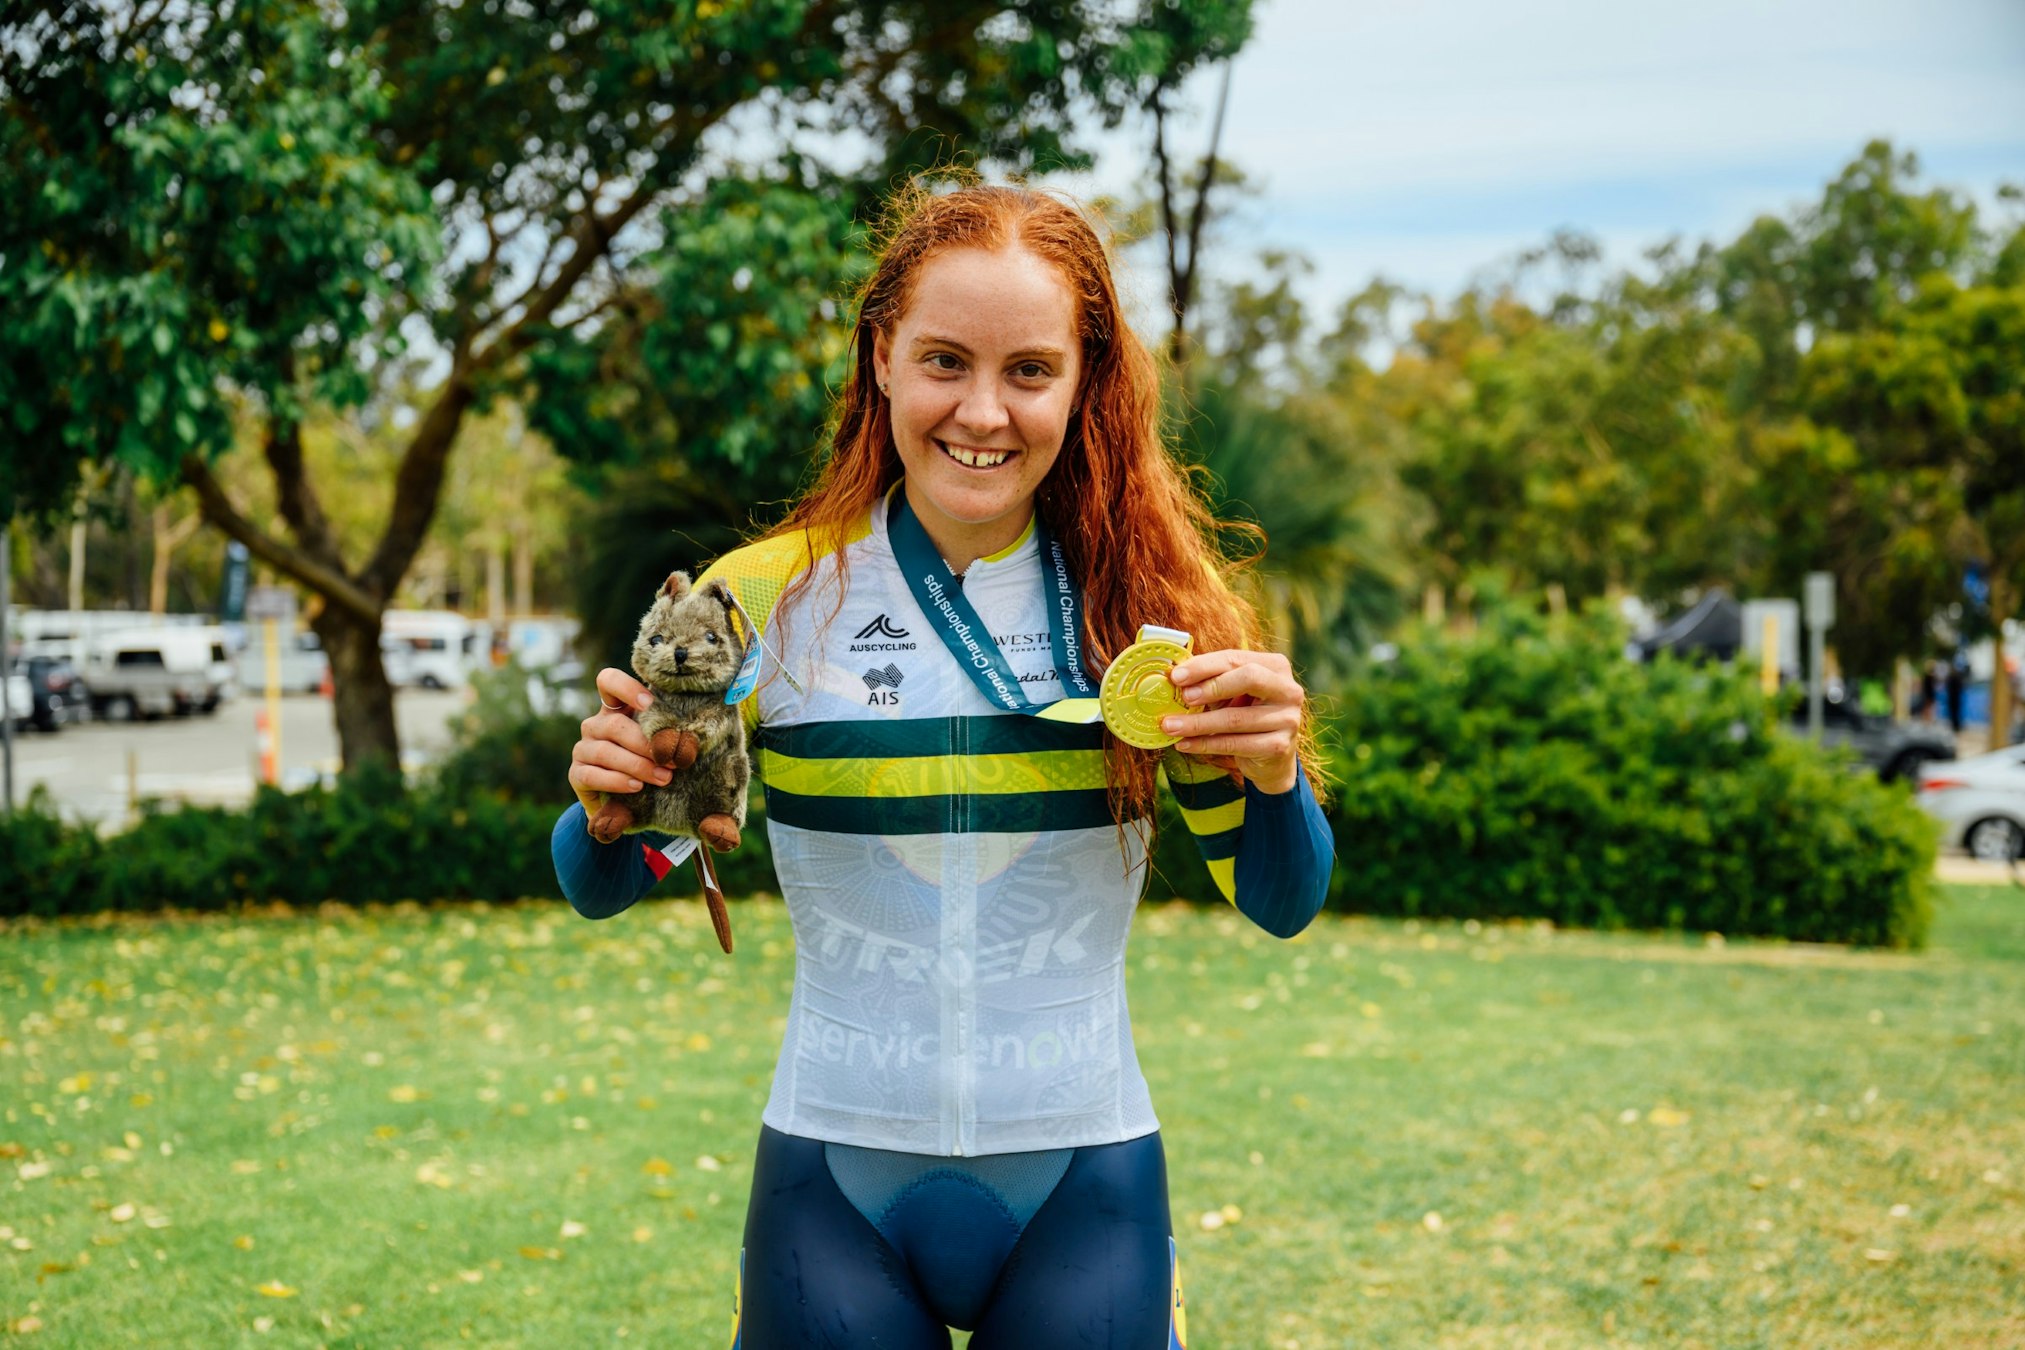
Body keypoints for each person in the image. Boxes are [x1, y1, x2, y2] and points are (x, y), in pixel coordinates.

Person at [553, 184, 1334, 1348]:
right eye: (944, 362)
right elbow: (604, 879)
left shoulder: (1152, 614)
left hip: (1083, 1180)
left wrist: (1275, 776)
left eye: (1029, 370)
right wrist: (609, 808)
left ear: (1084, 380)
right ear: (881, 358)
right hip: (834, 1180)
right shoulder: (762, 599)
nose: (983, 411)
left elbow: (1280, 901)